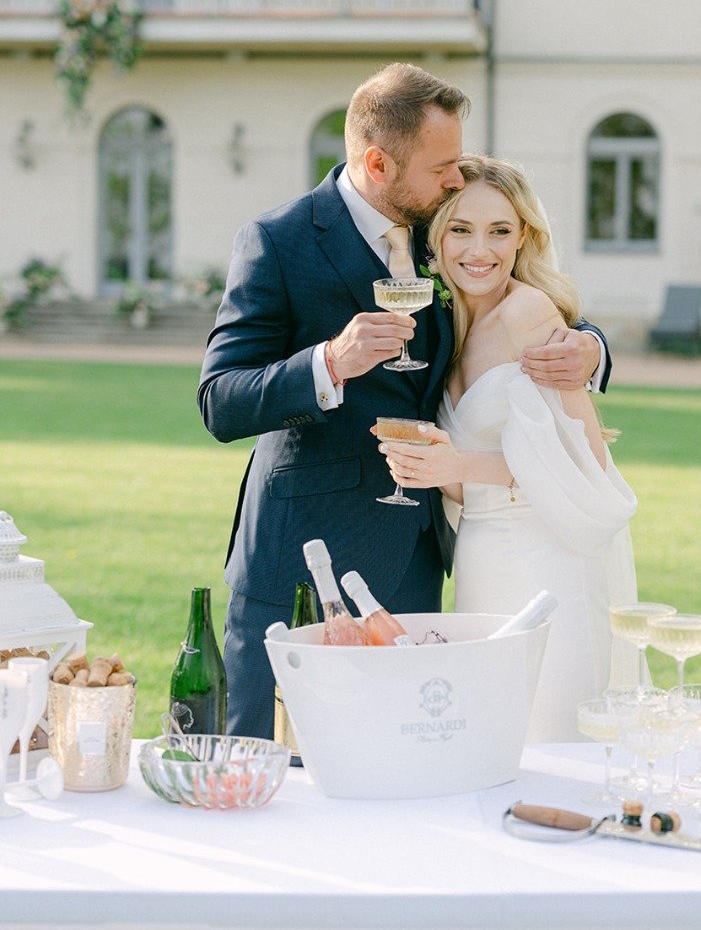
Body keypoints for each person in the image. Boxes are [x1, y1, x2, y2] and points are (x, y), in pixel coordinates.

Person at [197, 63, 611, 737]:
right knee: (274, 761)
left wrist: (591, 349)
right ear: (379, 161)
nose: (456, 179)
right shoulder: (279, 242)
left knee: (398, 760)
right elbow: (221, 400)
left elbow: (516, 289)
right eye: (441, 165)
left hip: (418, 557)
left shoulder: (439, 226)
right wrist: (329, 363)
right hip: (304, 555)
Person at [380, 155, 638, 742]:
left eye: (500, 230)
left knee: (550, 736)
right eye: (461, 229)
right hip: (480, 559)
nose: (481, 250)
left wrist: (460, 464)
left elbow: (587, 465)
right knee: (490, 738)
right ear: (437, 236)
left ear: (524, 237)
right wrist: (432, 468)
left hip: (549, 565)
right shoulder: (446, 324)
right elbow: (481, 480)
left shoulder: (530, 314)